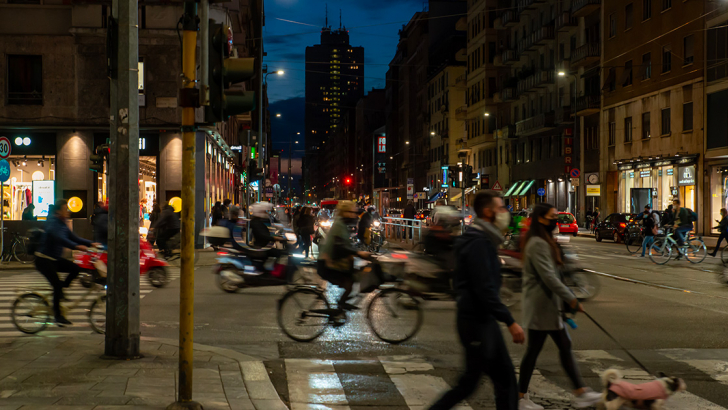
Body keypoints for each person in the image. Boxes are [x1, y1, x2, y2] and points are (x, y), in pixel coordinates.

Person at [429, 191, 525, 410]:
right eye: (501, 208)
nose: (505, 213)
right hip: (476, 322)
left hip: (483, 320)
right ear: (487, 211)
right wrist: (510, 321)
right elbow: (484, 289)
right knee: (469, 383)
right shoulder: (479, 243)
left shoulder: (483, 239)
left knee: (505, 380)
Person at [517, 203, 601, 410]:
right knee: (538, 350)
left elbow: (555, 275)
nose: (556, 220)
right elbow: (549, 277)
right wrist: (572, 299)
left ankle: (580, 392)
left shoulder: (544, 240)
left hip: (547, 306)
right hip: (541, 306)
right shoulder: (537, 243)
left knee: (561, 346)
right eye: (552, 216)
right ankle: (519, 398)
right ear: (541, 219)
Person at [34, 199, 102, 325]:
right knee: (56, 285)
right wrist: (77, 247)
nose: (68, 212)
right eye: (66, 209)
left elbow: (73, 237)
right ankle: (58, 316)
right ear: (59, 211)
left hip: (53, 258)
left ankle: (62, 289)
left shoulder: (62, 223)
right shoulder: (53, 223)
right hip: (43, 259)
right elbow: (61, 239)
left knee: (75, 269)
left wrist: (90, 243)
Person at [318, 201, 370, 311]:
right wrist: (358, 253)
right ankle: (339, 307)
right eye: (352, 212)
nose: (354, 215)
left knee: (352, 278)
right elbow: (340, 246)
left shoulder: (342, 224)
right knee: (349, 282)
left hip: (333, 262)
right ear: (345, 213)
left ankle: (341, 305)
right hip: (327, 265)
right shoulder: (339, 225)